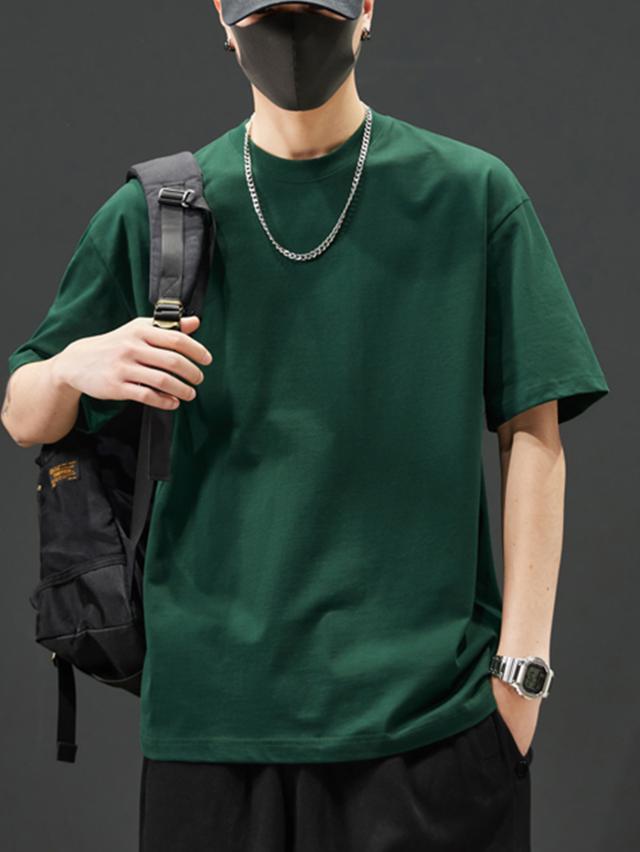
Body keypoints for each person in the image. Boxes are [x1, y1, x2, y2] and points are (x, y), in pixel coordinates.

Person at [2, 1, 610, 850]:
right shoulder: (159, 212)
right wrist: (75, 365)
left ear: (367, 10)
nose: (292, 28)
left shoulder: (469, 194)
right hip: (210, 731)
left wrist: (522, 675)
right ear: (223, 15)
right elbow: (24, 411)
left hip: (428, 725)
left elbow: (534, 435)